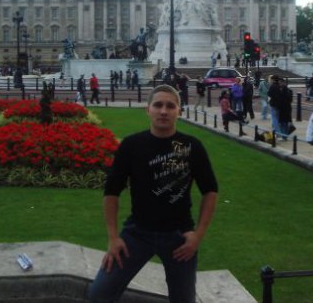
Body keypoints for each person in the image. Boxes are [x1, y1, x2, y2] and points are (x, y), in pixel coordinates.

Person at [88, 85, 218, 303]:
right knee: (100, 294)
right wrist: (113, 237)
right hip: (137, 232)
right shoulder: (131, 145)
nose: (163, 111)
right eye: (158, 105)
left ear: (179, 111)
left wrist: (198, 235)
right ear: (148, 110)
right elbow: (111, 192)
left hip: (179, 237)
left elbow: (210, 191)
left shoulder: (192, 146)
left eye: (170, 106)